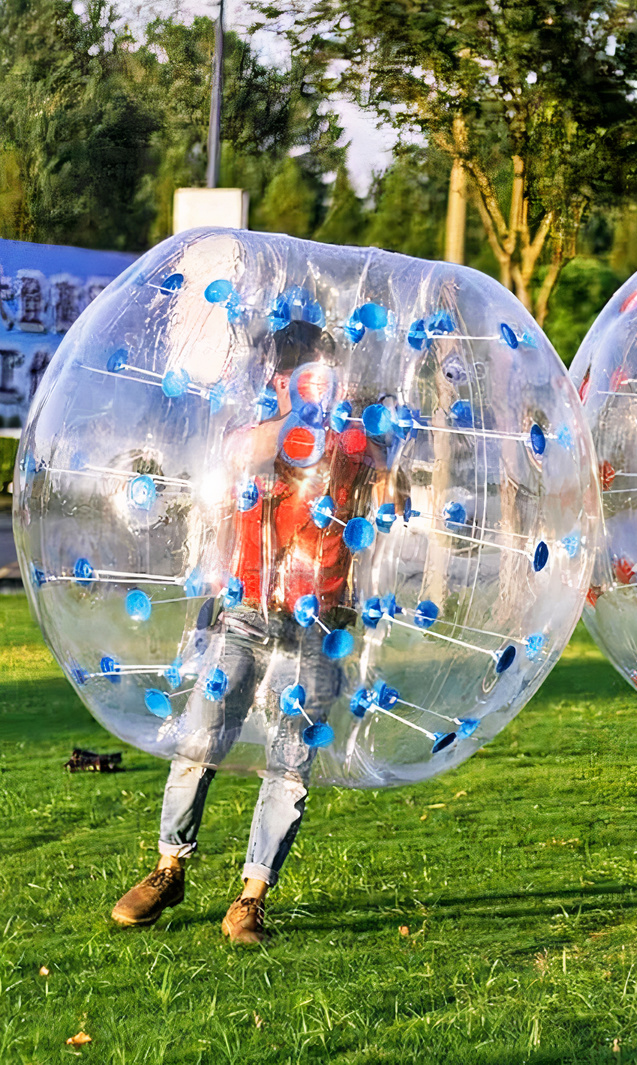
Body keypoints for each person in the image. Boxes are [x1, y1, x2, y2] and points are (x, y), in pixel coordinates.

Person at [111, 319, 386, 944]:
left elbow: (382, 478)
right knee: (200, 737)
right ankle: (168, 867)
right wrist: (297, 416)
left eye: (326, 375)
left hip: (317, 622)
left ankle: (250, 898)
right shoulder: (256, 435)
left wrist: (365, 440)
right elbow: (242, 455)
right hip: (246, 613)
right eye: (303, 375)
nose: (320, 387)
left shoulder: (351, 437)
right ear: (279, 381)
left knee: (290, 761)